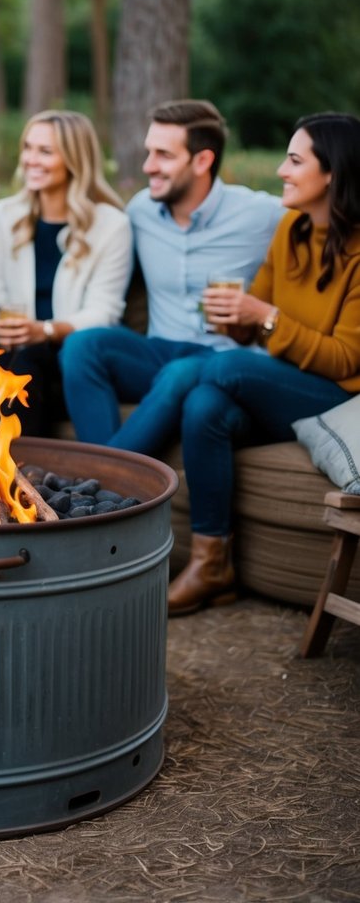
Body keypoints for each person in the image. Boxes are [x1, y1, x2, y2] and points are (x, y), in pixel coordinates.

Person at [164, 112, 360, 614]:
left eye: (295, 161)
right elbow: (260, 322)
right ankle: (212, 564)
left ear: (333, 172)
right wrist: (237, 321)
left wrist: (267, 319)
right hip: (283, 387)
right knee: (206, 403)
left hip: (338, 398)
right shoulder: (292, 227)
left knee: (215, 372)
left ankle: (122, 479)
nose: (281, 171)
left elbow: (346, 359)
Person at [60, 100, 284, 447]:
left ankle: (105, 478)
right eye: (149, 152)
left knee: (179, 374)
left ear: (202, 161)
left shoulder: (261, 214)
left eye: (163, 155)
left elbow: (329, 220)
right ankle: (103, 482)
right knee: (81, 346)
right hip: (158, 352)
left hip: (221, 361)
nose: (148, 166)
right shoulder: (140, 211)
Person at [0, 110, 133, 436]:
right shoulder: (5, 215)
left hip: (71, 361)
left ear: (75, 160)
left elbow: (105, 313)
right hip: (15, 351)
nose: (31, 159)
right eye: (28, 148)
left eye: (45, 151)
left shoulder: (111, 225)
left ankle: (24, 475)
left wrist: (45, 331)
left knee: (27, 361)